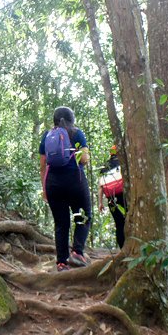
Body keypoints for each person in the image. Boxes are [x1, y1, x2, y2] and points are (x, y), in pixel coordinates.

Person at [39, 107, 92, 271]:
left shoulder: (47, 136)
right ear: (71, 119)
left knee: (61, 224)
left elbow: (42, 165)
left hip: (53, 184)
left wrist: (45, 189)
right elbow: (83, 160)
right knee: (83, 215)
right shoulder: (76, 134)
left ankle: (62, 262)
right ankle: (77, 252)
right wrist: (86, 153)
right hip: (75, 181)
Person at [98, 145, 126, 249]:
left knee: (119, 225)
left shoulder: (105, 166)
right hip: (124, 196)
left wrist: (100, 203)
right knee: (128, 221)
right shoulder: (123, 163)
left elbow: (100, 187)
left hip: (111, 199)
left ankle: (123, 248)